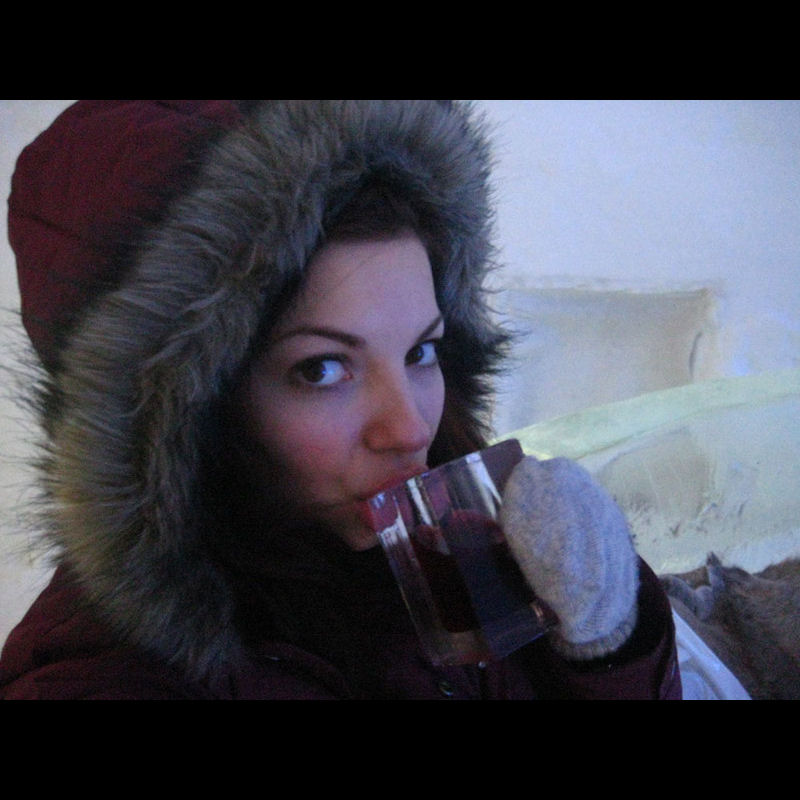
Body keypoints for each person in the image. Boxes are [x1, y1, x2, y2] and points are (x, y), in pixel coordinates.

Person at [0, 100, 681, 699]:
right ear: (187, 412)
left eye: (421, 351)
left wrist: (608, 644)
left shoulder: (458, 544)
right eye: (322, 369)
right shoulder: (105, 681)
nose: (410, 428)